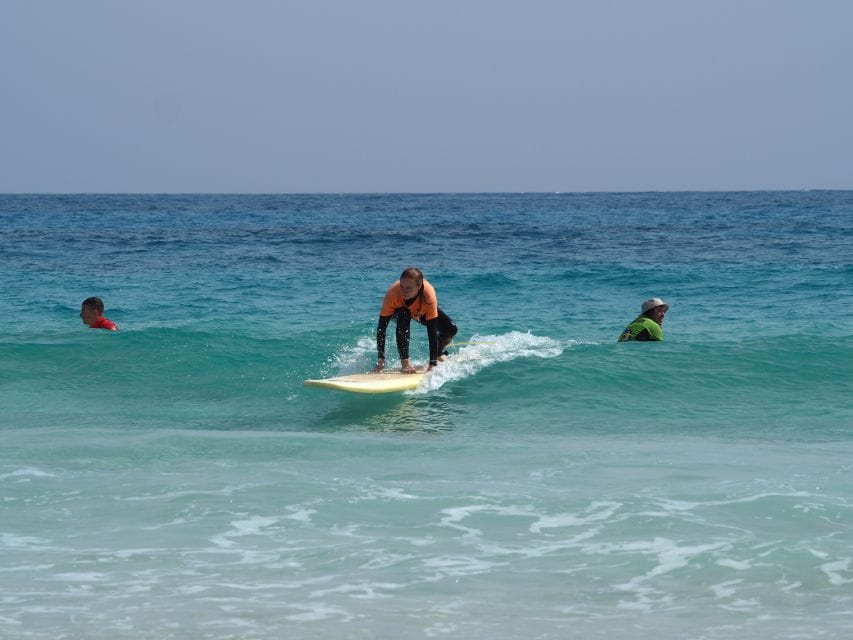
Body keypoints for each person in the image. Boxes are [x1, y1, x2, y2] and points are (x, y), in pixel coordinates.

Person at [373, 267, 457, 374]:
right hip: (397, 312)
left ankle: (438, 354)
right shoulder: (393, 293)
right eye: (402, 286)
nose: (403, 291)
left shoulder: (428, 295)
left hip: (419, 311)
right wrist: (381, 361)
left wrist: (432, 364)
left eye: (408, 288)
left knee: (450, 329)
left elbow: (432, 332)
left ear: (419, 286)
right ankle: (405, 363)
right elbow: (381, 329)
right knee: (403, 314)